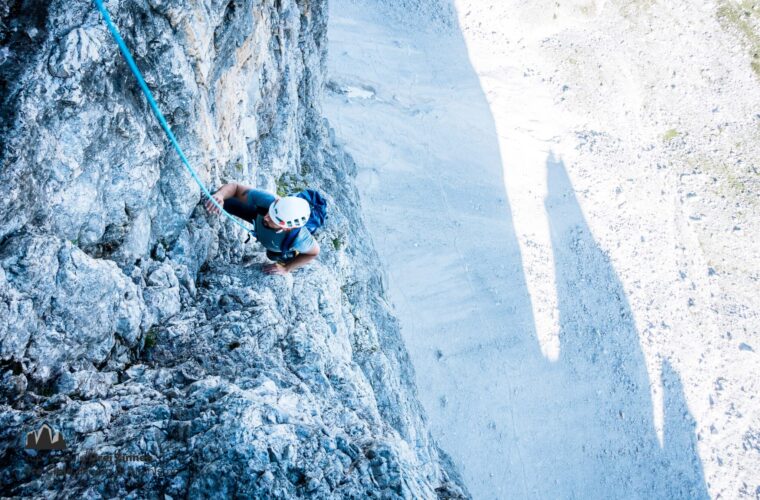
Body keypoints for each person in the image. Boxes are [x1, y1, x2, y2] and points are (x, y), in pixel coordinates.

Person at [204, 183, 320, 275]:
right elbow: (235, 187)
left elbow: (313, 253)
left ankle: (286, 255)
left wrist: (286, 268)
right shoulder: (269, 201)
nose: (267, 217)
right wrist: (220, 195)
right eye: (270, 212)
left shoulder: (300, 239)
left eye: (274, 219)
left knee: (272, 256)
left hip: (278, 245)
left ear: (286, 227)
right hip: (256, 219)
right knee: (225, 201)